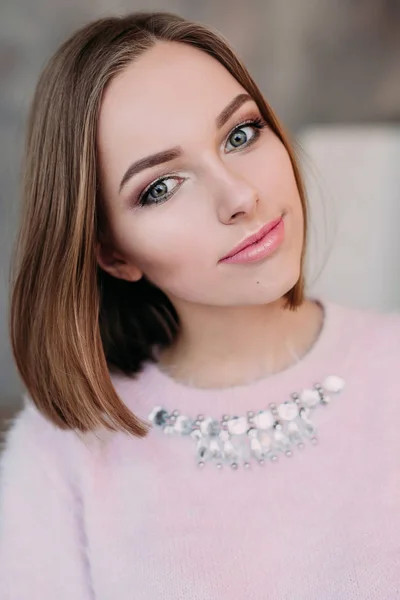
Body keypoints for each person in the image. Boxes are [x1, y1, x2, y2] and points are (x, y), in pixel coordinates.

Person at [0, 11, 399, 600]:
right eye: (160, 187)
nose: (239, 196)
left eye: (240, 134)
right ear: (112, 254)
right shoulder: (66, 452)